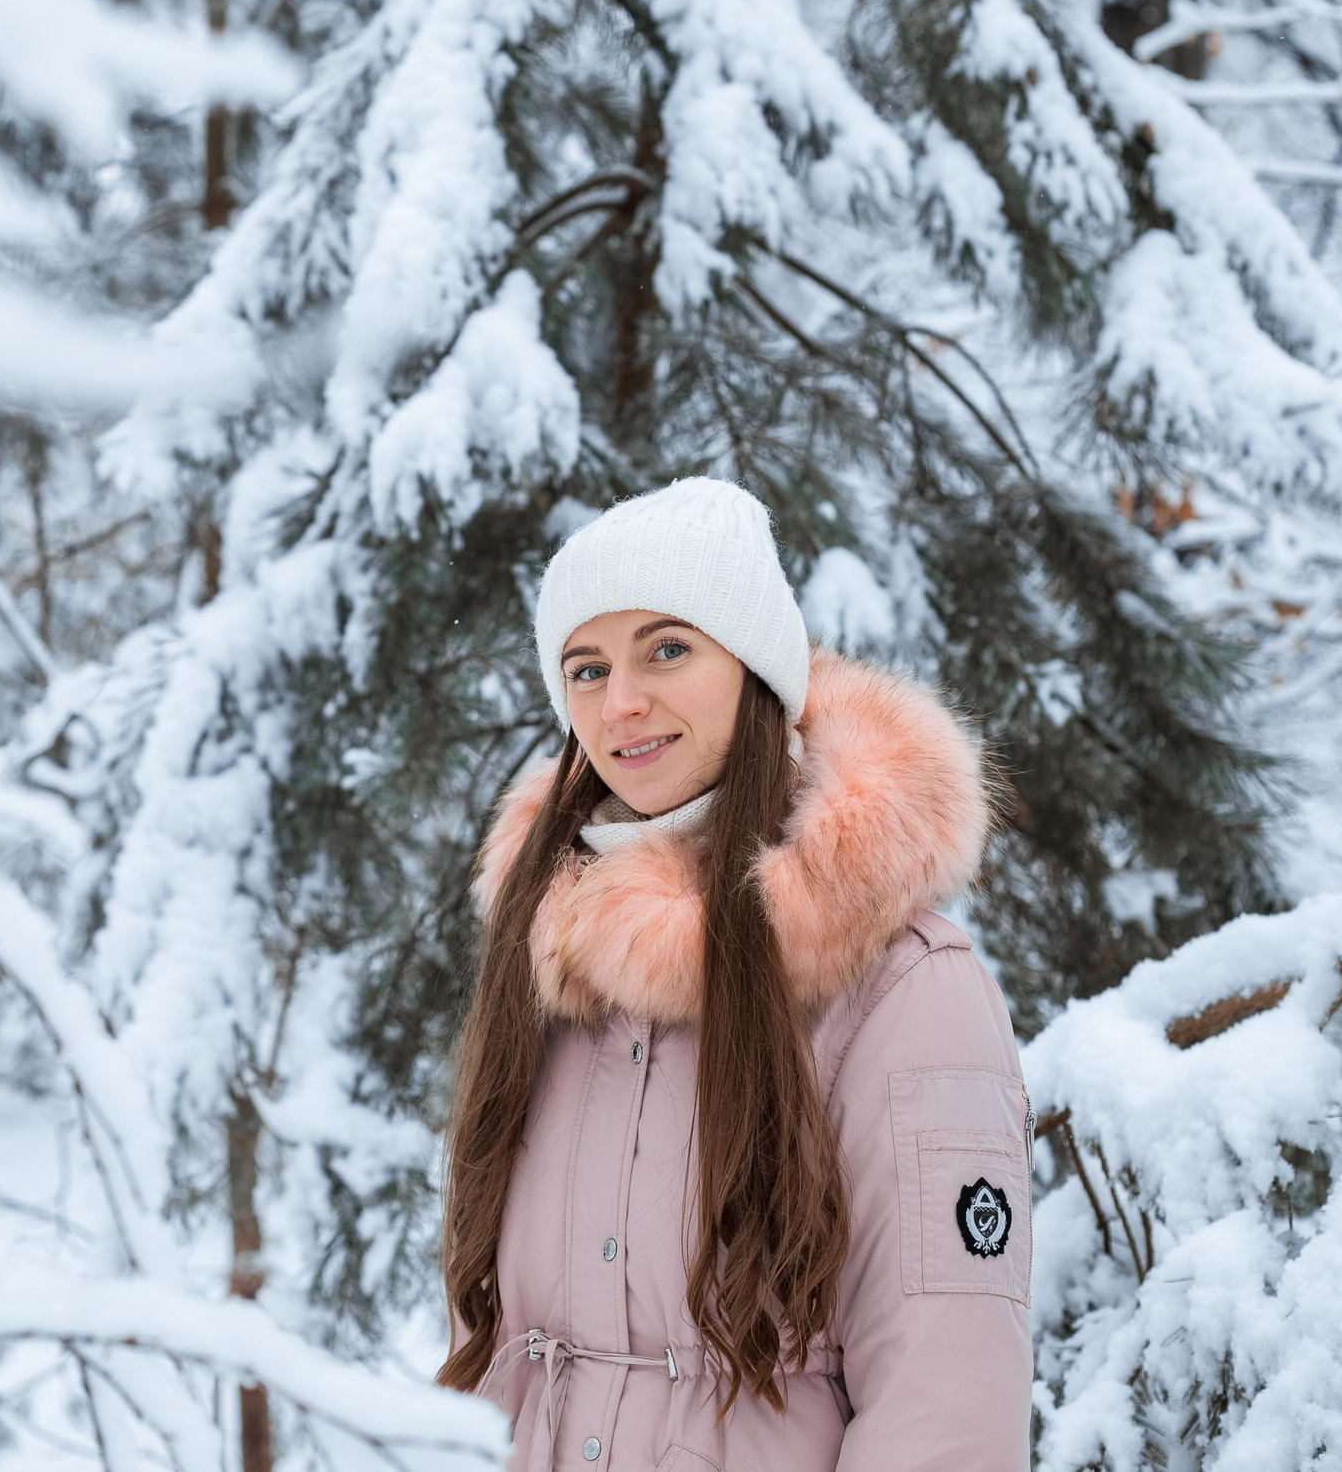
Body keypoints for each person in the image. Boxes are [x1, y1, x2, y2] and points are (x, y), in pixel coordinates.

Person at [436, 476, 1030, 1472]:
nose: (620, 701)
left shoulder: (901, 985)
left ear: (753, 667)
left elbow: (945, 1406)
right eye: (584, 669)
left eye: (667, 649)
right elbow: (490, 1360)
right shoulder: (549, 962)